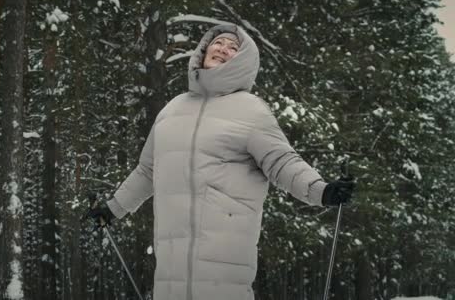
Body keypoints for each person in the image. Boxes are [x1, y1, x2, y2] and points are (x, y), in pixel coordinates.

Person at [88, 24, 355, 300]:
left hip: (226, 266)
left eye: (233, 48)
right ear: (204, 51)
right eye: (219, 43)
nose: (223, 49)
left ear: (242, 62)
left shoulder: (251, 110)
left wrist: (321, 190)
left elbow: (282, 162)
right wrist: (113, 208)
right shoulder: (172, 110)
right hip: (170, 270)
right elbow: (147, 171)